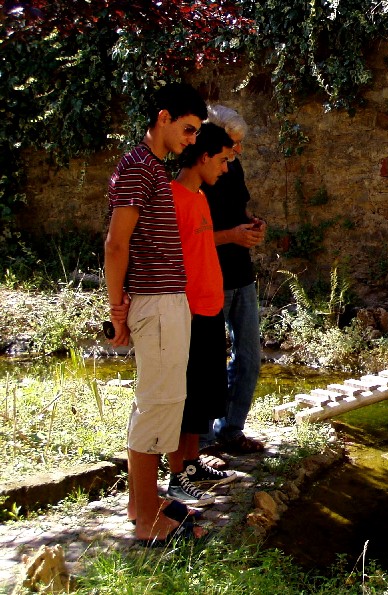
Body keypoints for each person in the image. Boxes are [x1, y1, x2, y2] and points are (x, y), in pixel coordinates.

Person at [104, 82, 208, 546]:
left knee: (157, 402)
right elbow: (115, 243)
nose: (192, 140)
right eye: (188, 129)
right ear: (163, 117)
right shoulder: (138, 168)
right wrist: (116, 308)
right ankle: (146, 518)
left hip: (166, 301)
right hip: (157, 304)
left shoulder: (148, 168)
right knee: (158, 405)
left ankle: (139, 503)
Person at [166, 123, 239, 506]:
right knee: (184, 399)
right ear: (205, 156)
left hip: (209, 310)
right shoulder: (172, 197)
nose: (225, 169)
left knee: (203, 396)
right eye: (223, 160)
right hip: (187, 313)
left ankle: (192, 465)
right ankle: (176, 478)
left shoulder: (199, 197)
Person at [200, 105, 266, 454]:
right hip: (212, 276)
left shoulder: (233, 167)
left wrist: (253, 225)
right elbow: (192, 235)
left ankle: (231, 431)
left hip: (241, 273)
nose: (237, 152)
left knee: (250, 358)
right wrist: (232, 236)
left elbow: (239, 209)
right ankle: (202, 440)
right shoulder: (194, 175)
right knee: (209, 361)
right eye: (233, 144)